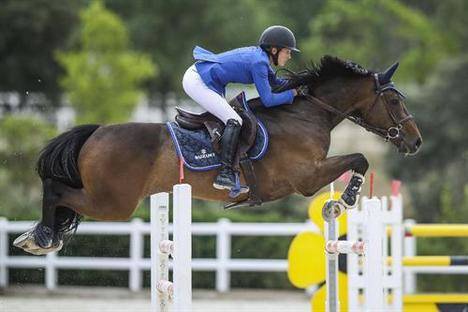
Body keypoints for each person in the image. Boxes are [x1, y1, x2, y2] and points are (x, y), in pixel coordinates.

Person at [182, 25, 300, 193]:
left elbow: (277, 84)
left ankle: (232, 174)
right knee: (234, 120)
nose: (289, 56)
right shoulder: (259, 62)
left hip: (206, 79)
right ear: (274, 50)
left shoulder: (262, 60)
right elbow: (268, 100)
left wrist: (301, 83)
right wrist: (292, 95)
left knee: (230, 119)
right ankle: (225, 174)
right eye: (287, 52)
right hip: (197, 81)